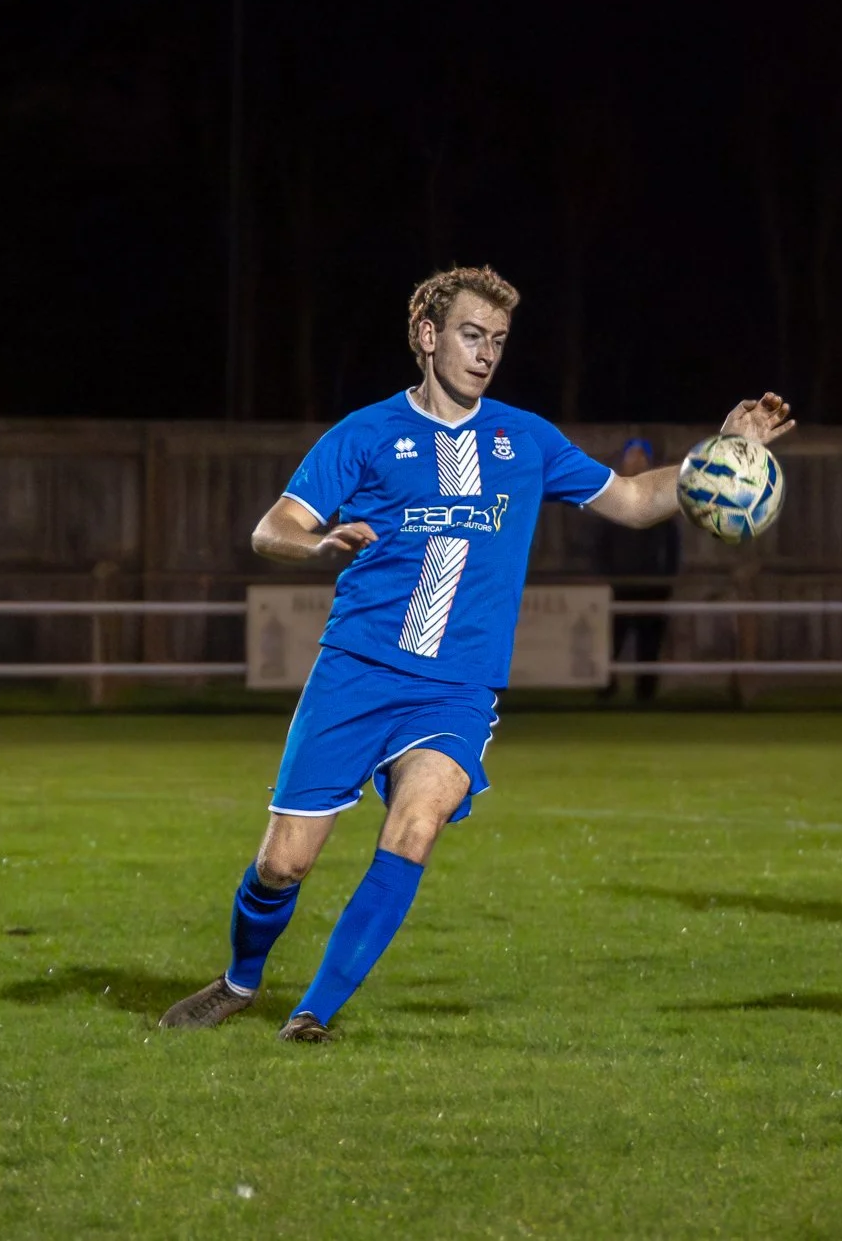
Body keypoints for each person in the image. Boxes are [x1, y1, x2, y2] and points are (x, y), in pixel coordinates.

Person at [160, 266, 794, 1041]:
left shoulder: (525, 439)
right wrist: (319, 540)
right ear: (427, 337)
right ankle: (240, 978)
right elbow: (271, 528)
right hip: (357, 672)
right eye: (471, 334)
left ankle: (313, 1013)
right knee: (283, 865)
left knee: (417, 824)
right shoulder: (363, 434)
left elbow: (630, 501)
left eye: (497, 340)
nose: (486, 353)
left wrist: (720, 454)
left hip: (456, 689)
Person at [596, 437, 681, 702]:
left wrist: (665, 578)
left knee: (649, 641)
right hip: (618, 586)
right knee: (611, 641)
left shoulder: (659, 499)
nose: (636, 460)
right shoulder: (610, 498)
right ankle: (606, 691)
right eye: (631, 454)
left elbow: (672, 544)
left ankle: (646, 695)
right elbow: (600, 544)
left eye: (641, 455)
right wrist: (605, 577)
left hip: (651, 586)